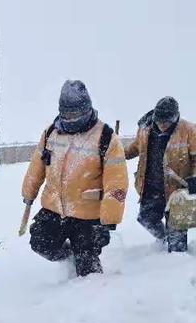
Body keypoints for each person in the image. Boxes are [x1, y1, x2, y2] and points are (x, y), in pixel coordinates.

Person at [22, 80, 129, 276]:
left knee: (88, 272)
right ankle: (71, 256)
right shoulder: (51, 133)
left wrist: (109, 220)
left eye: (75, 114)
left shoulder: (105, 137)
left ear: (86, 109)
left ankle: (94, 293)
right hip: (54, 208)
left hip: (88, 216)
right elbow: (37, 165)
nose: (70, 119)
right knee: (40, 243)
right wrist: (28, 192)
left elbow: (117, 182)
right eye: (67, 114)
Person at [125, 96, 196, 252]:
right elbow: (134, 148)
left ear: (175, 118)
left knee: (176, 233)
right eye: (159, 121)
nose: (162, 125)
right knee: (146, 219)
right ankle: (163, 240)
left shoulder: (189, 131)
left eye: (167, 122)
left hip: (177, 190)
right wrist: (118, 154)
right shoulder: (145, 130)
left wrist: (194, 178)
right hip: (151, 187)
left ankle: (176, 265)